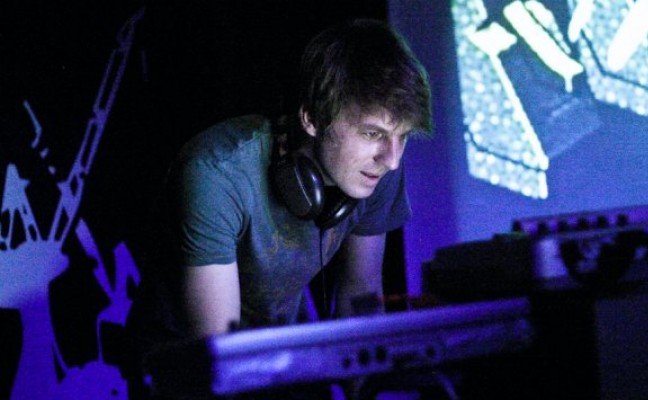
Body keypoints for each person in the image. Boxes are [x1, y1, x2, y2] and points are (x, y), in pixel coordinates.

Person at [125, 18, 432, 399]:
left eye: (403, 136)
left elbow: (360, 296)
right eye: (372, 133)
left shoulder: (376, 170)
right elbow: (221, 358)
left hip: (280, 355)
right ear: (312, 118)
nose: (392, 159)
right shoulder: (216, 174)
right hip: (180, 367)